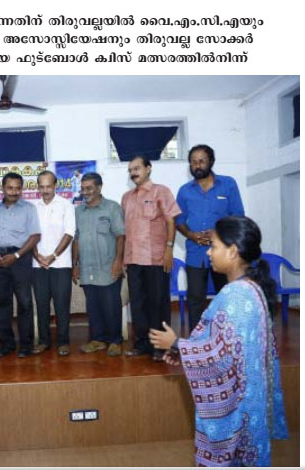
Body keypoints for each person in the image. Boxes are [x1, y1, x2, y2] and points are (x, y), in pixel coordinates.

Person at [149, 216, 288, 467]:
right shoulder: (251, 288)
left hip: (239, 409)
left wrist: (178, 344)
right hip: (250, 401)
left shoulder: (237, 295)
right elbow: (224, 341)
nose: (209, 252)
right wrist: (183, 351)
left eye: (213, 246)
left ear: (232, 251)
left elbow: (222, 356)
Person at [176, 144, 245, 330]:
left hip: (224, 252)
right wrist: (190, 234)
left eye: (201, 161)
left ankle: (227, 338)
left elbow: (238, 215)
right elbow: (179, 220)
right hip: (196, 253)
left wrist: (218, 233)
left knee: (226, 297)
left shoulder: (228, 184)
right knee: (195, 300)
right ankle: (196, 341)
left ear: (211, 162)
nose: (197, 165)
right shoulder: (184, 191)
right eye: (193, 162)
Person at [121, 156, 181, 361]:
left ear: (148, 168)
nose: (133, 172)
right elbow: (126, 230)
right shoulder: (126, 197)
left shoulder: (161, 191)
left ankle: (161, 347)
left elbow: (171, 222)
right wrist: (123, 259)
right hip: (133, 259)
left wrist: (169, 249)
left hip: (155, 258)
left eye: (137, 168)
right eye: (130, 170)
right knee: (137, 305)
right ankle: (142, 344)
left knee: (157, 304)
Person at [72, 172, 125, 356]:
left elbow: (120, 236)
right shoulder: (78, 211)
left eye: (89, 188)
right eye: (83, 188)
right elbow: (76, 239)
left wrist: (118, 261)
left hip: (108, 267)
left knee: (111, 306)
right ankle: (98, 340)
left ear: (99, 187)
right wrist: (75, 264)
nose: (85, 192)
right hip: (87, 267)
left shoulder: (112, 208)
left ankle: (115, 341)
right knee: (93, 306)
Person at [0, 172, 41, 358]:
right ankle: (7, 343)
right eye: (10, 188)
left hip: (21, 258)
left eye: (17, 188)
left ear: (22, 189)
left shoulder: (29, 209)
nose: (14, 192)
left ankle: (26, 345)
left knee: (24, 302)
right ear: (2, 188)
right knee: (1, 302)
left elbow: (35, 236)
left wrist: (17, 255)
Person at [32, 170, 76, 356]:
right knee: (41, 304)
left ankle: (63, 342)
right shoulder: (33, 207)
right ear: (38, 187)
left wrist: (53, 256)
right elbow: (30, 235)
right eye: (41, 187)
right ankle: (44, 341)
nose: (45, 190)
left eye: (49, 186)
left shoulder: (66, 205)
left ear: (55, 185)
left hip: (61, 264)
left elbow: (69, 233)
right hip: (38, 265)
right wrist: (37, 256)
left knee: (62, 305)